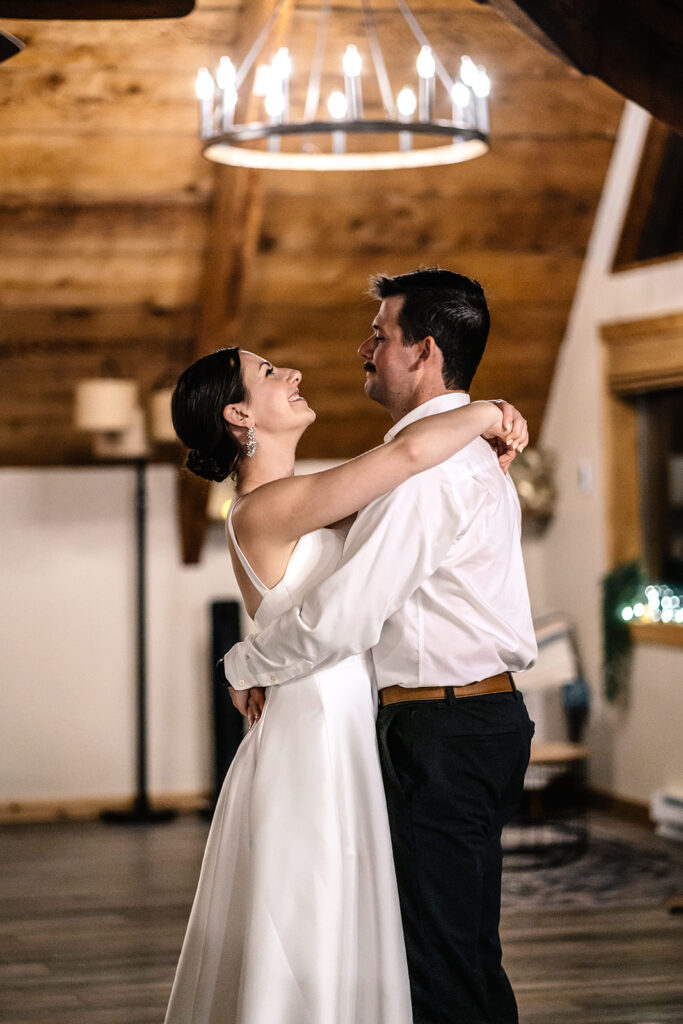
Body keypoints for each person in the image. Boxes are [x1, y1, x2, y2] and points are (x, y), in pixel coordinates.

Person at [164, 328, 528, 1022]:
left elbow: (408, 486)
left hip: (346, 718)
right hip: (317, 726)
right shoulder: (265, 507)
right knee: (320, 907)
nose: (292, 371)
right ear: (238, 415)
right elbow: (410, 453)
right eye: (269, 372)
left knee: (368, 912)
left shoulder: (308, 499)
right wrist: (487, 411)